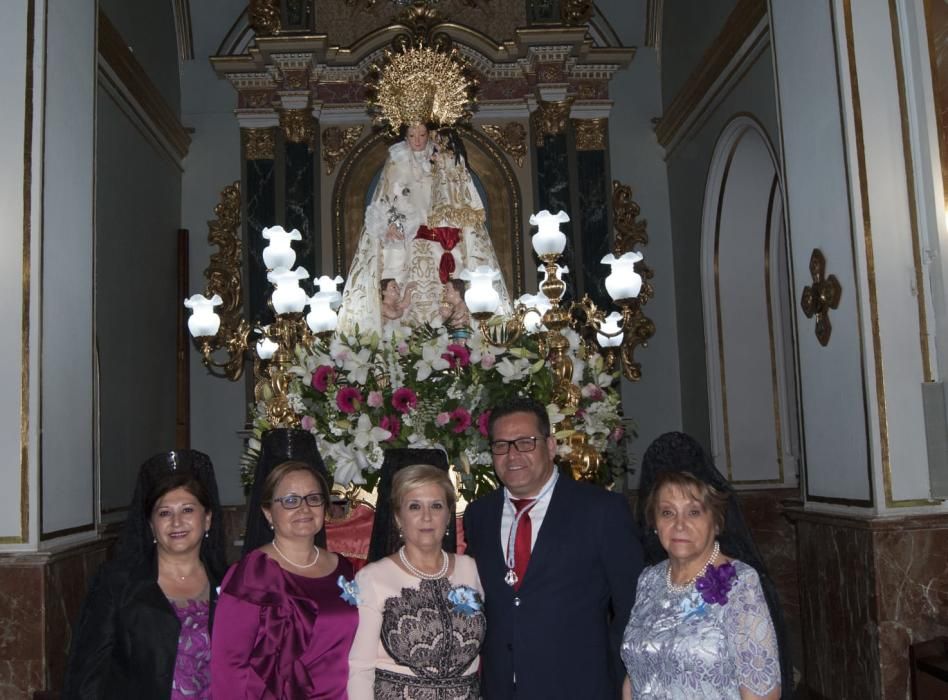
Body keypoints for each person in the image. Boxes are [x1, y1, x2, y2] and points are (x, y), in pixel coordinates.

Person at [463, 396, 644, 698]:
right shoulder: (480, 515)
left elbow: (632, 608)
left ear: (550, 446)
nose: (512, 455)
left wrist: (624, 681)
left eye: (525, 442)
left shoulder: (600, 510)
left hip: (580, 688)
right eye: (501, 445)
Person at [625, 431, 793, 698]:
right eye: (667, 512)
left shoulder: (740, 583)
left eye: (693, 512)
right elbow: (634, 675)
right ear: (654, 523)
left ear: (715, 521)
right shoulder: (649, 580)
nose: (679, 524)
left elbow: (762, 692)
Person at [64, 450, 227, 700]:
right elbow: (88, 675)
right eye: (164, 513)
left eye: (187, 510)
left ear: (207, 519)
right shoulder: (117, 585)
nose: (176, 522)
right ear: (151, 525)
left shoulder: (229, 583)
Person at [336, 121, 510, 335]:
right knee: (404, 284)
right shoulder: (396, 160)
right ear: (405, 136)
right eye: (412, 135)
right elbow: (389, 198)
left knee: (452, 286)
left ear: (430, 133)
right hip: (409, 240)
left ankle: (455, 330)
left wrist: (444, 164)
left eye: (421, 134)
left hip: (443, 237)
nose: (417, 141)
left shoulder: (444, 156)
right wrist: (390, 223)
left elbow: (458, 194)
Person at [211, 460, 358, 698]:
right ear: (268, 512)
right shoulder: (251, 575)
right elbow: (227, 666)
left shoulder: (344, 569)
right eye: (290, 500)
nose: (304, 508)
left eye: (313, 498)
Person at [348, 463, 485, 699]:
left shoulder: (472, 570)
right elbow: (360, 670)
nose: (426, 517)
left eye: (436, 506)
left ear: (449, 515)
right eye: (414, 506)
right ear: (398, 517)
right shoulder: (372, 578)